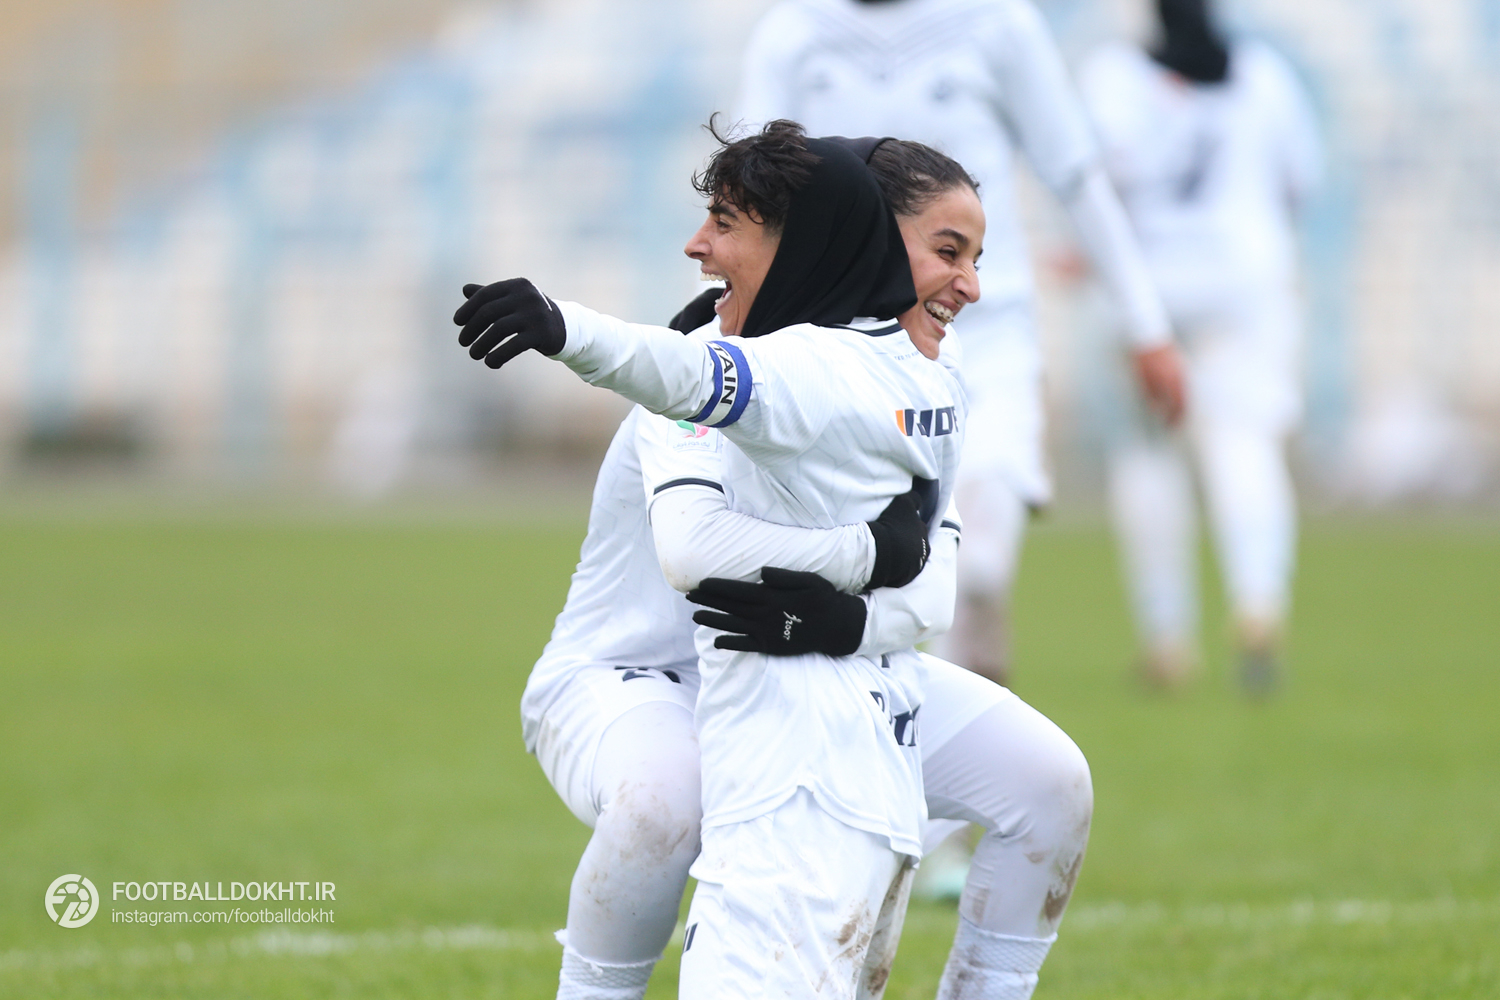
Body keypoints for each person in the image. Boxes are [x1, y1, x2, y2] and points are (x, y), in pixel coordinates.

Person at [455, 128, 1091, 999]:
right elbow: (697, 552)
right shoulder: (709, 356)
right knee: (666, 800)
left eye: (974, 258)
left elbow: (931, 580)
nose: (969, 285)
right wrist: (861, 558)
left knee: (1048, 783)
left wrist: (849, 619)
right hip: (641, 675)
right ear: (859, 236)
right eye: (947, 252)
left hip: (814, 663)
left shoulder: (920, 376)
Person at [737, 0, 1187, 687]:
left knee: (973, 558)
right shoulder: (795, 30)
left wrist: (1147, 327)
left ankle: (971, 634)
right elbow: (749, 189)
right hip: (849, 343)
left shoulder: (997, 22)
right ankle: (940, 701)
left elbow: (1074, 171)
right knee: (891, 564)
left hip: (986, 326)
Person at [1076, 0, 1321, 691]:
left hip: (1144, 290)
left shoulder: (1112, 76)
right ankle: (1259, 599)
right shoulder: (1264, 75)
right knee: (1244, 445)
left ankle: (1167, 635)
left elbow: (1088, 184)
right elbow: (1301, 182)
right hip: (1244, 283)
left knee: (1149, 457)